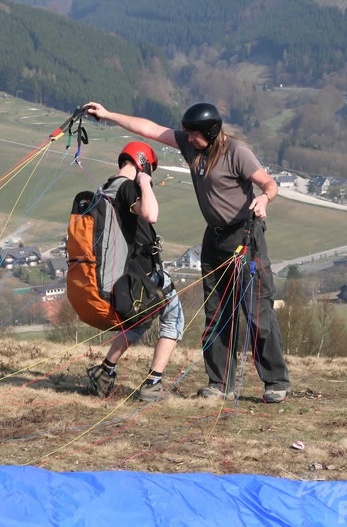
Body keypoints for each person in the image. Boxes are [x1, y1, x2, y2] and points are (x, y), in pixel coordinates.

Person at [84, 101, 291, 403]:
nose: (188, 139)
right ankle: (219, 384)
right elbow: (151, 129)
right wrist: (108, 115)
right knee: (216, 312)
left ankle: (276, 382)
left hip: (245, 236)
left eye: (194, 135)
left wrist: (263, 200)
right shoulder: (192, 145)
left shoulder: (237, 152)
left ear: (210, 131)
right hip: (214, 239)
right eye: (187, 134)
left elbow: (269, 184)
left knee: (256, 311)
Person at [86, 141, 185, 402]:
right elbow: (151, 214)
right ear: (143, 163)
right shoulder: (128, 188)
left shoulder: (104, 188)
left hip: (123, 275)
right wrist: (142, 181)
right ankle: (153, 384)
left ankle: (105, 370)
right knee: (173, 318)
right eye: (149, 169)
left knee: (139, 322)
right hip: (143, 273)